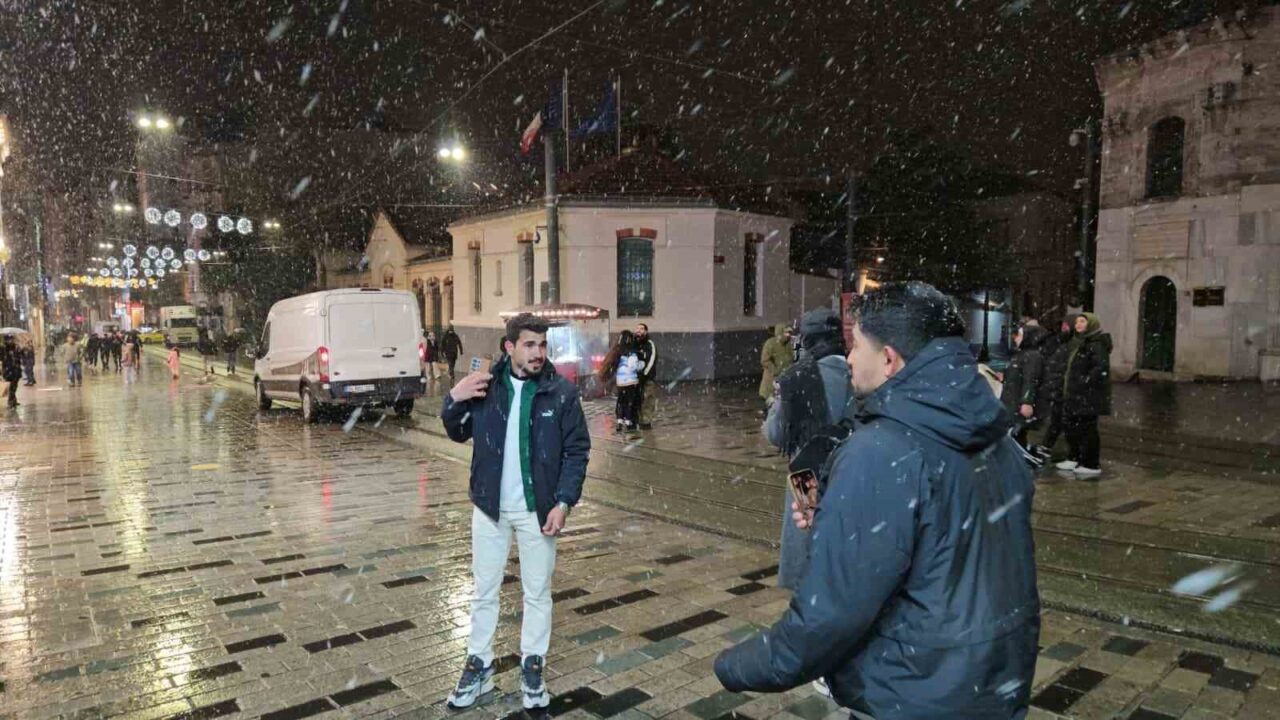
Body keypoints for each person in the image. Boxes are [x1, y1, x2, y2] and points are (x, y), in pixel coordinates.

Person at [714, 282, 1040, 720]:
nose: (849, 358)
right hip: (993, 681)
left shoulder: (881, 451)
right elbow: (950, 545)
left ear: (889, 359)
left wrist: (736, 666)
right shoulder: (996, 436)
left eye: (857, 345)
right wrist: (842, 514)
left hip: (910, 690)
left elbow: (829, 617)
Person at [440, 313, 590, 712]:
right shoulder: (486, 387)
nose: (539, 353)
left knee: (537, 592)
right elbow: (456, 431)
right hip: (490, 508)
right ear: (510, 347)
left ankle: (533, 666)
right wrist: (455, 397)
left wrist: (563, 502)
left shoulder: (560, 392)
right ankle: (479, 666)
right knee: (484, 591)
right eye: (530, 345)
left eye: (542, 345)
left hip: (538, 511)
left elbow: (577, 451)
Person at [763, 308, 853, 593]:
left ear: (807, 341)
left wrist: (775, 407)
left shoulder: (796, 378)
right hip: (852, 474)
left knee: (807, 559)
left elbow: (776, 434)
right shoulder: (862, 371)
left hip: (806, 478)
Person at [1056, 312, 1112, 478]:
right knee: (1072, 426)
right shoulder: (1081, 342)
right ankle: (1074, 457)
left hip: (1088, 396)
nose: (1078, 324)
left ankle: (1090, 463)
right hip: (1076, 394)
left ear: (1091, 324)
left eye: (1082, 321)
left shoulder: (1096, 344)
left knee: (1087, 429)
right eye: (1077, 322)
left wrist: (1084, 381)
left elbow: (1100, 368)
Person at [1031, 317, 1073, 461]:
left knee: (1063, 420)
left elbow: (1059, 368)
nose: (1064, 327)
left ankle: (1071, 454)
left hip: (1063, 388)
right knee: (1058, 419)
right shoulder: (1058, 341)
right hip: (1056, 386)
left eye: (1067, 325)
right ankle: (1048, 446)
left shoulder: (1067, 345)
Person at [1001, 324, 1047, 452]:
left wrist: (1027, 402)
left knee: (1017, 436)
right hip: (1013, 400)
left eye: (1020, 335)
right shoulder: (1021, 354)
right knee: (1015, 436)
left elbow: (1031, 379)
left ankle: (1021, 457)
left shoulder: (1031, 356)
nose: (1016, 338)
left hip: (1017, 402)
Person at [606, 331, 644, 432]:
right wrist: (641, 364)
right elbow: (633, 366)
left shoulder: (617, 351)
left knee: (621, 401)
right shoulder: (631, 352)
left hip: (620, 382)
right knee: (629, 402)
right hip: (631, 381)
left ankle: (619, 421)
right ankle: (628, 422)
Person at [758, 324, 794, 406]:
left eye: (789, 333)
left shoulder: (789, 345)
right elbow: (765, 360)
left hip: (784, 383)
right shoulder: (770, 343)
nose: (788, 335)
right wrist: (775, 370)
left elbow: (792, 359)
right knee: (772, 406)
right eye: (786, 333)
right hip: (771, 384)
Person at [634, 323, 658, 429]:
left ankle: (646, 421)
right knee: (637, 399)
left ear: (646, 331)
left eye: (642, 328)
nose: (639, 330)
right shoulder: (633, 344)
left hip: (648, 378)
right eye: (637, 328)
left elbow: (652, 359)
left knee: (648, 398)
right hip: (635, 379)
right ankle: (638, 420)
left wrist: (645, 374)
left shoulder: (650, 344)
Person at [1, 336, 23, 408]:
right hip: (8, 370)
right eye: (9, 340)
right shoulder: (3, 348)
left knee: (14, 386)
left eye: (12, 339)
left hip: (16, 369)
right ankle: (10, 402)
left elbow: (20, 356)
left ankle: (13, 400)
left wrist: (19, 349)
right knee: (12, 386)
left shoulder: (15, 347)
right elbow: (2, 358)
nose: (11, 341)